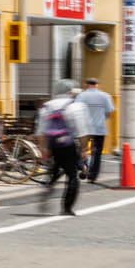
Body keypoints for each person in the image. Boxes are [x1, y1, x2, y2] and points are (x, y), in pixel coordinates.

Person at [38, 79, 83, 216]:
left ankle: (48, 186)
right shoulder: (75, 106)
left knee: (55, 168)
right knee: (72, 176)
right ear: (70, 92)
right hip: (68, 145)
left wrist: (44, 149)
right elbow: (83, 131)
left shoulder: (46, 107)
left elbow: (40, 132)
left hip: (52, 145)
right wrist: (84, 149)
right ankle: (67, 207)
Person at [75, 77, 115, 182]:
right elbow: (109, 112)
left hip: (84, 129)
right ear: (97, 85)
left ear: (86, 84)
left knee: (81, 150)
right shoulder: (105, 96)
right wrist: (102, 118)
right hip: (99, 129)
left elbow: (76, 111)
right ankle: (92, 176)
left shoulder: (81, 96)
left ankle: (83, 168)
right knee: (96, 153)